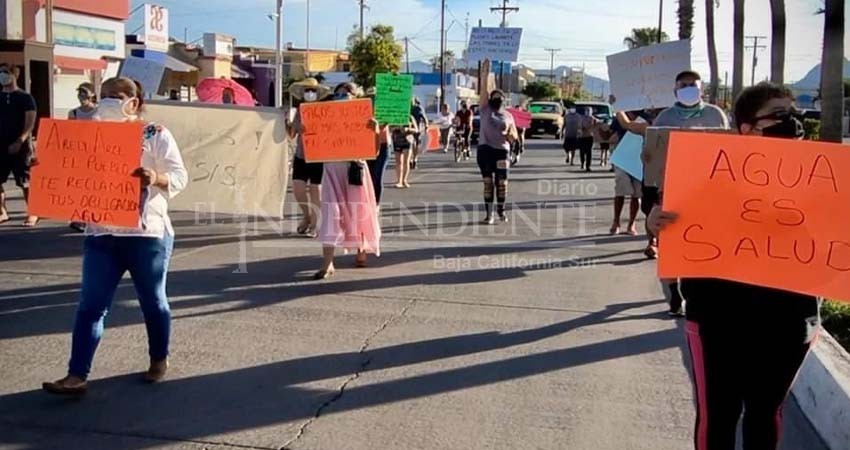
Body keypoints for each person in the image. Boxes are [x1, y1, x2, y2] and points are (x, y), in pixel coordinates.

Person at [649, 82, 817, 450]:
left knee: (765, 411)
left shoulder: (821, 176)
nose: (792, 124)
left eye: (795, 115)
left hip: (790, 315)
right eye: (779, 116)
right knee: (719, 414)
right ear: (747, 127)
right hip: (718, 315)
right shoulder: (708, 172)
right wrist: (656, 219)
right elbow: (671, 217)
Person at [42, 77, 188, 395]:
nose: (108, 101)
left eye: (116, 96)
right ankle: (76, 374)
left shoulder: (155, 134)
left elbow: (180, 176)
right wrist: (47, 168)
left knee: (153, 302)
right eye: (104, 95)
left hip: (147, 235)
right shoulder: (87, 135)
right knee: (91, 305)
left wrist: (155, 177)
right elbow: (70, 171)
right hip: (101, 233)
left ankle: (158, 358)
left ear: (134, 102)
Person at [314, 82, 381, 279]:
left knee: (357, 212)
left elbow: (374, 152)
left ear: (356, 97)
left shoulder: (364, 118)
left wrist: (375, 131)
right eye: (338, 93)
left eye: (347, 93)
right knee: (330, 213)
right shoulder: (325, 117)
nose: (342, 96)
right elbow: (310, 140)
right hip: (331, 170)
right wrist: (301, 128)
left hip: (354, 170)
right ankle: (327, 263)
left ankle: (361, 250)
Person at [287, 78, 331, 237]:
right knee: (298, 189)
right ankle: (307, 215)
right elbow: (291, 134)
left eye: (312, 91)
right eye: (306, 91)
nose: (309, 94)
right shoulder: (299, 111)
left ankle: (315, 224)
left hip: (318, 155)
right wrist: (290, 123)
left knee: (315, 191)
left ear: (318, 93)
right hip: (301, 155)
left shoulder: (324, 111)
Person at [476, 59, 518, 225]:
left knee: (502, 183)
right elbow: (484, 91)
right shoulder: (485, 108)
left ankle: (501, 210)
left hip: (502, 151)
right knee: (488, 183)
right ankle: (489, 214)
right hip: (485, 150)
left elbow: (514, 134)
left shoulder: (508, 115)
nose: (497, 99)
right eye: (494, 96)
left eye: (500, 97)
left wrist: (511, 135)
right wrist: (485, 73)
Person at [0, 63, 38, 227]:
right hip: (1, 144)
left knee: (25, 180)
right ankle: (2, 212)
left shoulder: (25, 97)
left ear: (14, 75)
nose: (2, 75)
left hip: (20, 146)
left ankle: (32, 211)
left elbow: (30, 122)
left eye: (5, 72)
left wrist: (20, 140)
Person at [67, 82, 99, 232]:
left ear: (92, 95)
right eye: (79, 93)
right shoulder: (73, 113)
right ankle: (79, 217)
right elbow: (69, 132)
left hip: (97, 154)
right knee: (80, 187)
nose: (82, 96)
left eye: (84, 93)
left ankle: (91, 217)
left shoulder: (98, 112)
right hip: (79, 155)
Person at [364, 87, 390, 206]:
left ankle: (376, 205)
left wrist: (378, 127)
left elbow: (385, 126)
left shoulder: (384, 112)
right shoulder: (363, 112)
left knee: (377, 176)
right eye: (370, 97)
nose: (372, 100)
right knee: (367, 176)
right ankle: (368, 202)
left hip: (382, 145)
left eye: (374, 97)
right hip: (366, 146)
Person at [392, 115, 418, 189]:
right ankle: (399, 181)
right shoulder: (394, 116)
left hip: (407, 140)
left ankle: (404, 180)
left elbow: (416, 129)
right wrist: (397, 127)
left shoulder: (410, 117)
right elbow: (390, 128)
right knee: (398, 161)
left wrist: (408, 129)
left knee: (406, 161)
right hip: (397, 140)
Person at [577, 106, 598, 172]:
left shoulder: (593, 118)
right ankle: (582, 163)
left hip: (589, 136)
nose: (588, 112)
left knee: (589, 152)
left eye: (589, 110)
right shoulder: (581, 118)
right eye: (587, 110)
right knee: (582, 151)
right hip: (582, 137)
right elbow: (579, 126)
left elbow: (595, 126)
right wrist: (582, 128)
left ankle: (588, 166)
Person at [409, 97, 428, 169]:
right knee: (411, 144)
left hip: (417, 128)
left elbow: (423, 117)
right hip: (409, 129)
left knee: (416, 144)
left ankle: (415, 159)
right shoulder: (407, 108)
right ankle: (410, 159)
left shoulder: (418, 108)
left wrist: (426, 124)